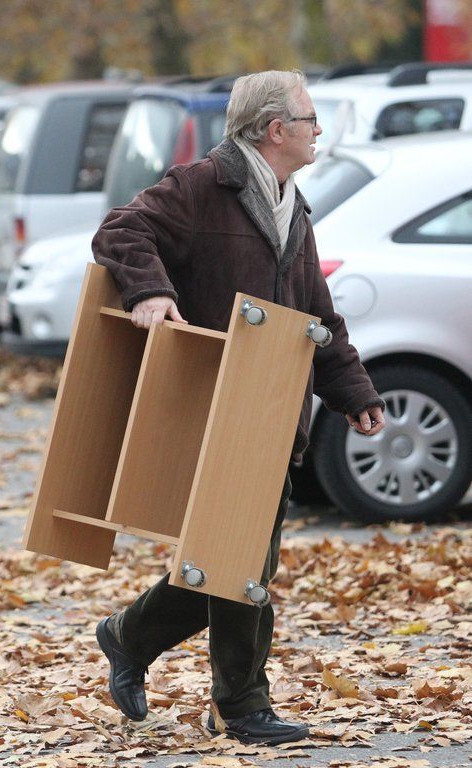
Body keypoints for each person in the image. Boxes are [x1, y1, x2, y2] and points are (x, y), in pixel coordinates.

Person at [91, 70, 385, 746]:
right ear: (276, 129)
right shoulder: (201, 186)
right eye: (311, 119)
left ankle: (132, 637)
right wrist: (149, 291)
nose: (319, 131)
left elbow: (316, 316)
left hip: (273, 413)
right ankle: (240, 704)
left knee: (241, 561)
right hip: (216, 408)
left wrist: (353, 391)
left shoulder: (293, 206)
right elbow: (121, 232)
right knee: (243, 564)